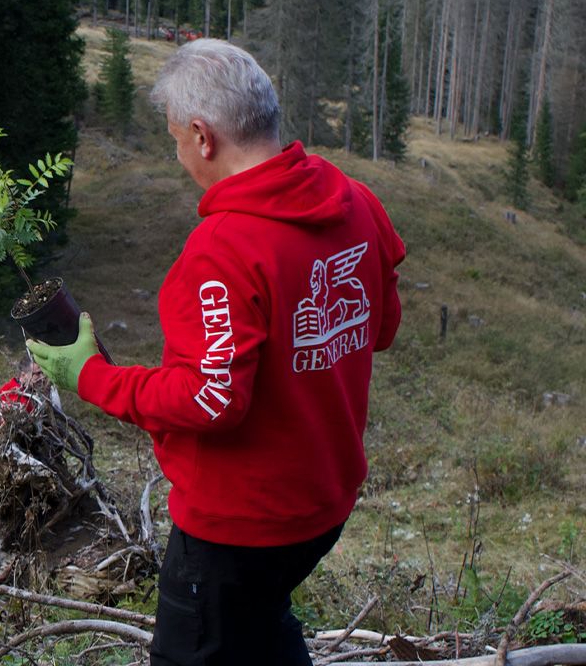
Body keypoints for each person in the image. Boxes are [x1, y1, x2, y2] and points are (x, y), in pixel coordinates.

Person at [27, 39, 405, 666]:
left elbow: (211, 400)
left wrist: (90, 376)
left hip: (238, 528)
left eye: (176, 139)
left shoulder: (222, 253)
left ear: (203, 136)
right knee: (260, 624)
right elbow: (382, 326)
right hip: (323, 504)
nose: (179, 155)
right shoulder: (356, 202)